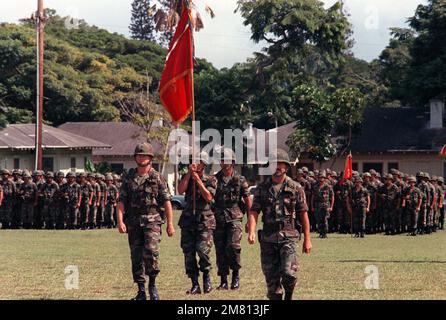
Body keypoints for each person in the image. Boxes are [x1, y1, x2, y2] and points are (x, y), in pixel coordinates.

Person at [248, 149, 312, 300]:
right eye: (272, 164)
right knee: (272, 282)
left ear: (286, 167)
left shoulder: (296, 188)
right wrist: (251, 230)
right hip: (268, 238)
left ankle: (289, 295)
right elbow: (254, 212)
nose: (276, 167)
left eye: (280, 164)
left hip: (288, 236)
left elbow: (303, 213)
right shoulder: (261, 188)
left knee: (289, 273)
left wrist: (307, 239)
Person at [117, 143, 175, 301]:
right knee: (136, 256)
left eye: (144, 155)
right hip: (134, 222)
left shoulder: (157, 177)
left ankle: (152, 285)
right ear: (135, 158)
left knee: (150, 251)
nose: (141, 158)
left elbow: (167, 202)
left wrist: (170, 224)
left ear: (150, 158)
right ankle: (141, 290)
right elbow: (121, 201)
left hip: (152, 221)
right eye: (139, 155)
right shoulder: (129, 178)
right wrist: (120, 221)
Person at [177, 152, 216, 295]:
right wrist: (189, 175)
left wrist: (198, 181)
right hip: (188, 220)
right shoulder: (187, 177)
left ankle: (206, 278)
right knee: (188, 252)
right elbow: (180, 190)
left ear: (204, 164)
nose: (195, 164)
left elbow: (208, 197)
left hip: (205, 220)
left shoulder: (211, 179)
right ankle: (194, 283)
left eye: (198, 162)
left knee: (202, 250)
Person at [213, 148, 251, 290]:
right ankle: (223, 280)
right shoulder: (215, 179)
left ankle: (235, 275)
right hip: (218, 218)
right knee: (220, 249)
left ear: (233, 162)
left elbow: (247, 200)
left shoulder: (240, 179)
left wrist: (249, 221)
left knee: (233, 246)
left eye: (227, 160)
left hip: (235, 217)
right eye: (222, 160)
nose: (224, 163)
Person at [311, 171, 334, 238]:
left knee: (325, 219)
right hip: (317, 205)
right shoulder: (315, 186)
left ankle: (325, 233)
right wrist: (312, 206)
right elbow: (313, 197)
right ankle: (320, 232)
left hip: (325, 205)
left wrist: (331, 206)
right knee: (318, 219)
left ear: (324, 178)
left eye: (322, 178)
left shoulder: (328, 186)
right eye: (320, 178)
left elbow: (332, 196)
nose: (321, 179)